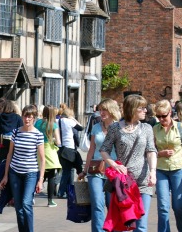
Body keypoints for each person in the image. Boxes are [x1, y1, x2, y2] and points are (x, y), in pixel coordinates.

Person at [100, 94, 157, 232]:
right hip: (123, 184)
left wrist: (153, 172)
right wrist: (114, 165)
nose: (145, 111)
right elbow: (104, 150)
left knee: (141, 225)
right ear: (132, 109)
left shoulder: (147, 128)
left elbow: (151, 151)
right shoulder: (115, 128)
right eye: (142, 108)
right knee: (122, 225)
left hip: (143, 182)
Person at [0, 105, 45, 232]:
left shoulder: (38, 135)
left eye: (30, 117)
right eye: (25, 116)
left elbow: (42, 159)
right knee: (18, 207)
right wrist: (6, 175)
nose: (27, 119)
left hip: (30, 173)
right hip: (15, 172)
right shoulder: (16, 132)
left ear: (34, 118)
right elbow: (9, 154)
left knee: (26, 203)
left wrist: (40, 180)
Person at [78, 98, 121, 232]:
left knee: (111, 204)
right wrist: (85, 170)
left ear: (111, 110)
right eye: (100, 109)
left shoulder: (120, 127)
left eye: (104, 109)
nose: (101, 112)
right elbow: (91, 149)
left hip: (113, 170)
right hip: (95, 170)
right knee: (97, 203)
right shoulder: (96, 127)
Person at [152, 99, 182, 232]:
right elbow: (150, 150)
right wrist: (160, 153)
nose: (161, 119)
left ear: (170, 112)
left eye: (164, 116)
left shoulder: (180, 127)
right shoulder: (154, 129)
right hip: (161, 170)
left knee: (178, 206)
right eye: (158, 116)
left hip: (178, 169)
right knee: (163, 207)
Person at [34, 105, 61, 207]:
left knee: (40, 175)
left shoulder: (38, 123)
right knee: (51, 177)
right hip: (50, 151)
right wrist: (52, 139)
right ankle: (50, 201)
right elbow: (58, 142)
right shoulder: (53, 125)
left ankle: (31, 196)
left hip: (39, 150)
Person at [56, 107, 83, 198]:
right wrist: (74, 119)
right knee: (67, 171)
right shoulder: (69, 121)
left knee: (68, 170)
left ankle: (69, 191)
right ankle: (61, 191)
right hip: (69, 148)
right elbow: (81, 128)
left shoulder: (57, 121)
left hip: (60, 148)